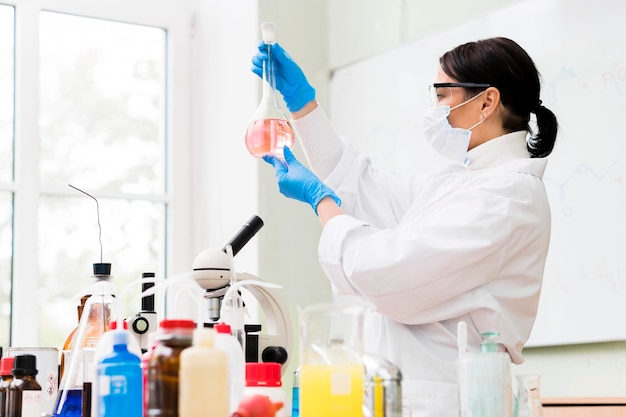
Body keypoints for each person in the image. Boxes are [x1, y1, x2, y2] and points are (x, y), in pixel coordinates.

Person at [252, 36, 558, 417]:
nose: (436, 109)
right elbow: (361, 188)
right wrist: (302, 105)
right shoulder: (460, 182)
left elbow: (388, 273)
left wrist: (321, 200)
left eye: (443, 95)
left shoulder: (510, 196)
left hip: (449, 403)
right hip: (412, 397)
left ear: (487, 101)